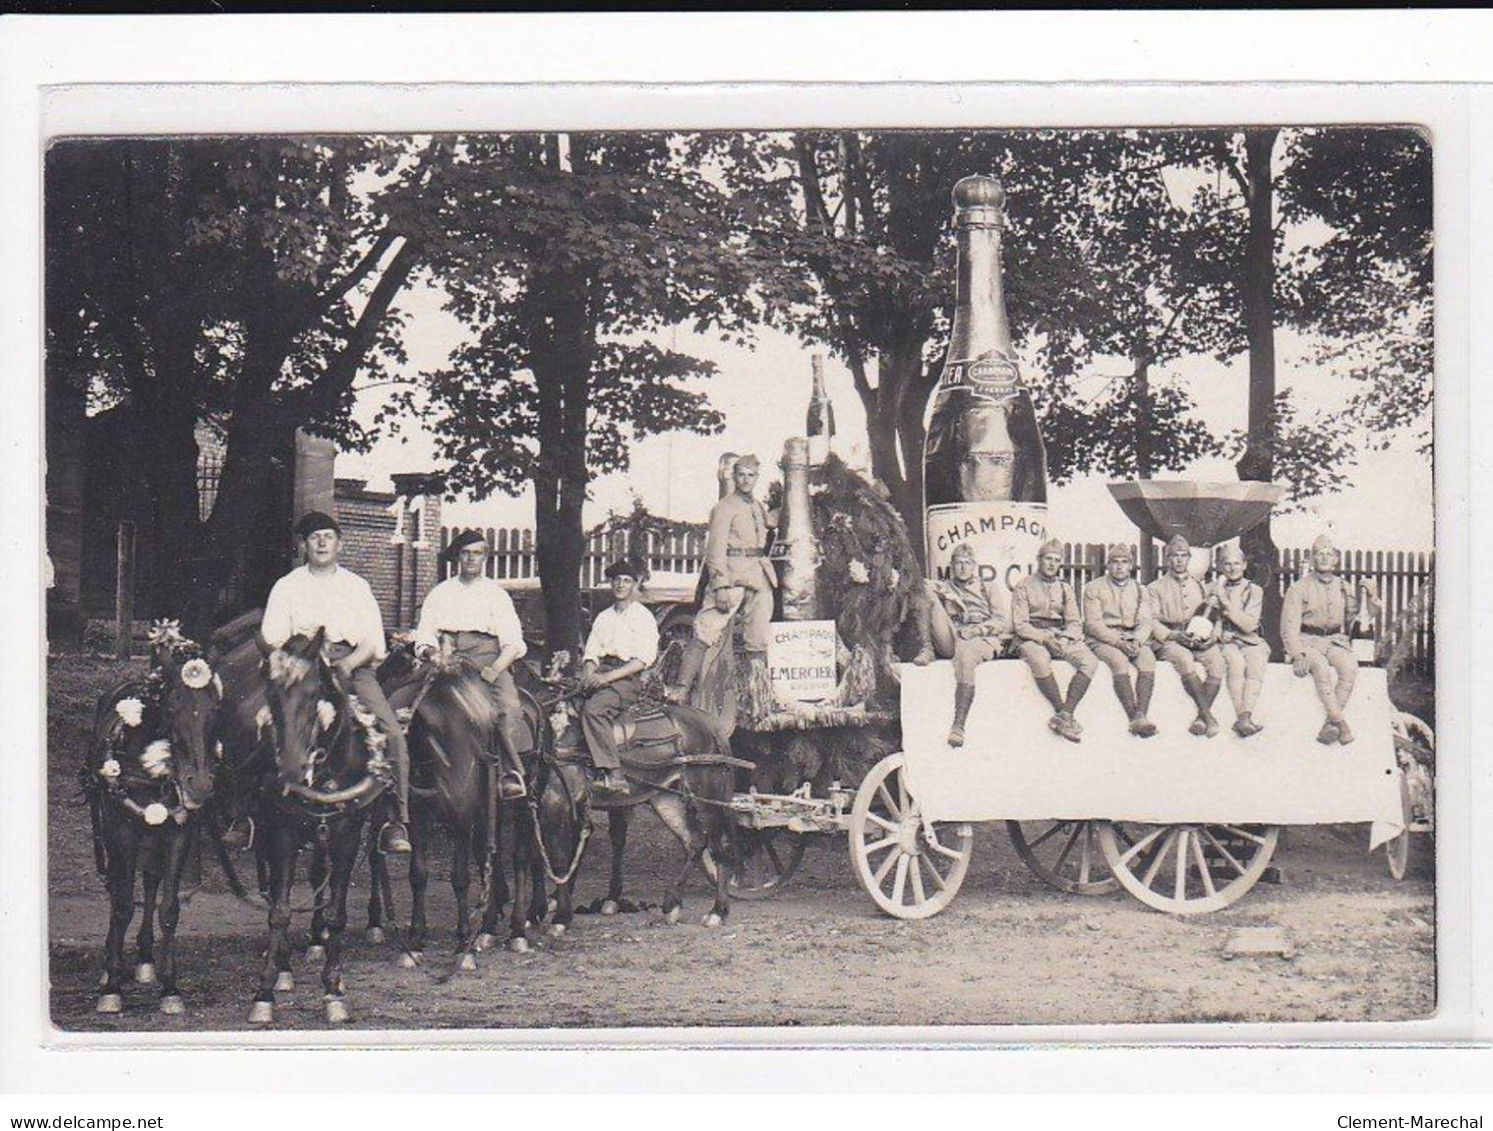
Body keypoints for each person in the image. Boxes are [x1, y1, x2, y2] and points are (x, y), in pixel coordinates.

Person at [256, 511, 411, 853]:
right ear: (303, 545)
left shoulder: (356, 586)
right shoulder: (288, 586)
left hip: (350, 668)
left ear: (339, 543)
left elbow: (373, 642)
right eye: (314, 537)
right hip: (299, 670)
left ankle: (395, 820)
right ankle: (248, 815)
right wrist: (290, 662)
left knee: (391, 732)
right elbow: (272, 637)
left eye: (328, 536)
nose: (322, 542)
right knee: (257, 721)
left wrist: (349, 664)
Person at [411, 529, 531, 800]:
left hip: (488, 658)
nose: (470, 559)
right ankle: (412, 772)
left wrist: (496, 668)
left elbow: (512, 642)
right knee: (407, 704)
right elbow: (425, 634)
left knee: (508, 707)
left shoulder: (496, 595)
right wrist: (432, 654)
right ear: (457, 557)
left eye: (476, 553)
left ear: (485, 557)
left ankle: (509, 773)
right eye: (465, 553)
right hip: (447, 658)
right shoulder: (440, 592)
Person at [669, 454, 776, 703]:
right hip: (732, 577)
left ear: (757, 477)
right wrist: (720, 586)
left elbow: (769, 527)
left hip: (760, 578)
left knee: (757, 640)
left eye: (751, 475)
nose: (746, 480)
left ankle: (756, 696)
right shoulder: (724, 507)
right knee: (705, 631)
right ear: (735, 477)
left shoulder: (758, 507)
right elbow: (714, 549)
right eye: (741, 475)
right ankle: (680, 689)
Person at [1282, 533, 1378, 745]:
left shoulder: (1344, 587)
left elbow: (1359, 619)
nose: (1324, 558)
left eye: (1329, 554)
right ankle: (1341, 724)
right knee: (1320, 666)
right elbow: (1289, 628)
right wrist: (1297, 655)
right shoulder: (1298, 588)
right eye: (1319, 554)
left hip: (1335, 640)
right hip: (1307, 640)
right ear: (1313, 558)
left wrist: (1372, 597)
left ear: (1336, 559)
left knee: (1349, 667)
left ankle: (1329, 725)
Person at [913, 541, 1010, 748]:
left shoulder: (987, 586)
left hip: (981, 638)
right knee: (923, 591)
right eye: (958, 563)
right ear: (952, 565)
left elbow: (1001, 621)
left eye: (967, 563)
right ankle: (927, 648)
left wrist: (978, 630)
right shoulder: (945, 586)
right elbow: (919, 586)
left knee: (966, 656)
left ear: (974, 566)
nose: (963, 567)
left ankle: (958, 724)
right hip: (952, 635)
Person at [579, 559, 660, 796]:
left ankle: (613, 772)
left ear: (635, 584)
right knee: (568, 702)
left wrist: (606, 679)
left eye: (626, 580)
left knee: (595, 710)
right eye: (616, 580)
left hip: (626, 679)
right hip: (602, 672)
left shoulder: (642, 617)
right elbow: (592, 652)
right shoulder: (604, 617)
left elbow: (642, 660)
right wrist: (589, 673)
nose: (621, 585)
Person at [1011, 539, 1098, 743]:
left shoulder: (1065, 588)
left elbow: (1075, 622)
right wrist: (1044, 639)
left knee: (1090, 661)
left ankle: (1066, 713)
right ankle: (1061, 710)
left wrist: (1066, 637)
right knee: (1040, 660)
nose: (1051, 564)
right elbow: (1020, 624)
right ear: (1039, 560)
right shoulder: (1023, 586)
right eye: (1048, 559)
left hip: (1060, 635)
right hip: (1032, 636)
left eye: (1056, 560)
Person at [1148, 534, 1225, 738]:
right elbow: (1152, 621)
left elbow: (1213, 616)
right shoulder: (1155, 588)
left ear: (1189, 558)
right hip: (1171, 638)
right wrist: (1173, 634)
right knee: (1184, 659)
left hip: (1198, 637)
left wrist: (1213, 636)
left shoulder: (1199, 585)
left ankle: (1201, 718)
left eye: (1183, 556)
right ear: (1167, 559)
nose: (1179, 560)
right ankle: (1208, 715)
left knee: (1216, 661)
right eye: (1174, 556)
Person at [1081, 542, 1158, 738]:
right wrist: (1117, 642)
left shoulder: (1141, 590)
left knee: (1148, 659)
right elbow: (1093, 624)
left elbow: (1146, 622)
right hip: (1103, 639)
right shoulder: (1094, 588)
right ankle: (1133, 717)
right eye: (1115, 562)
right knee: (1119, 661)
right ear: (1108, 565)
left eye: (1124, 562)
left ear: (1131, 565)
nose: (1120, 566)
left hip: (1132, 638)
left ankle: (1142, 713)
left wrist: (1138, 641)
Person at [1212, 544, 1268, 738]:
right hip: (1226, 641)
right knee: (1235, 663)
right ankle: (1242, 718)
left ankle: (1246, 715)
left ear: (1244, 565)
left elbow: (1249, 624)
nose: (1232, 568)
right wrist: (1219, 633)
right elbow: (1207, 618)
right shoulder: (1213, 589)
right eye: (1226, 564)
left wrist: (1225, 603)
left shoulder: (1254, 590)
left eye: (1236, 563)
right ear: (1220, 566)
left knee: (1256, 662)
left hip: (1249, 639)